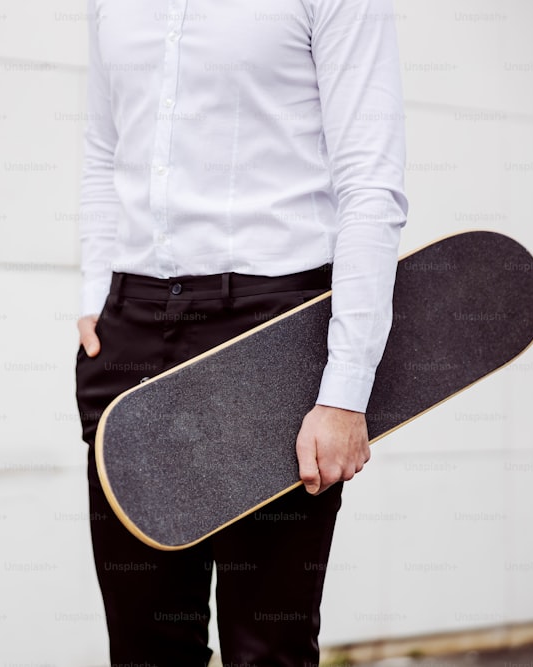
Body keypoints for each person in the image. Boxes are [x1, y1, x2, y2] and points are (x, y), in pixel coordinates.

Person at [73, 1, 409, 665]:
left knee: (268, 648)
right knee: (145, 648)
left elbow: (370, 182)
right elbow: (102, 152)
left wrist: (344, 390)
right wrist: (95, 293)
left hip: (272, 331)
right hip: (133, 329)